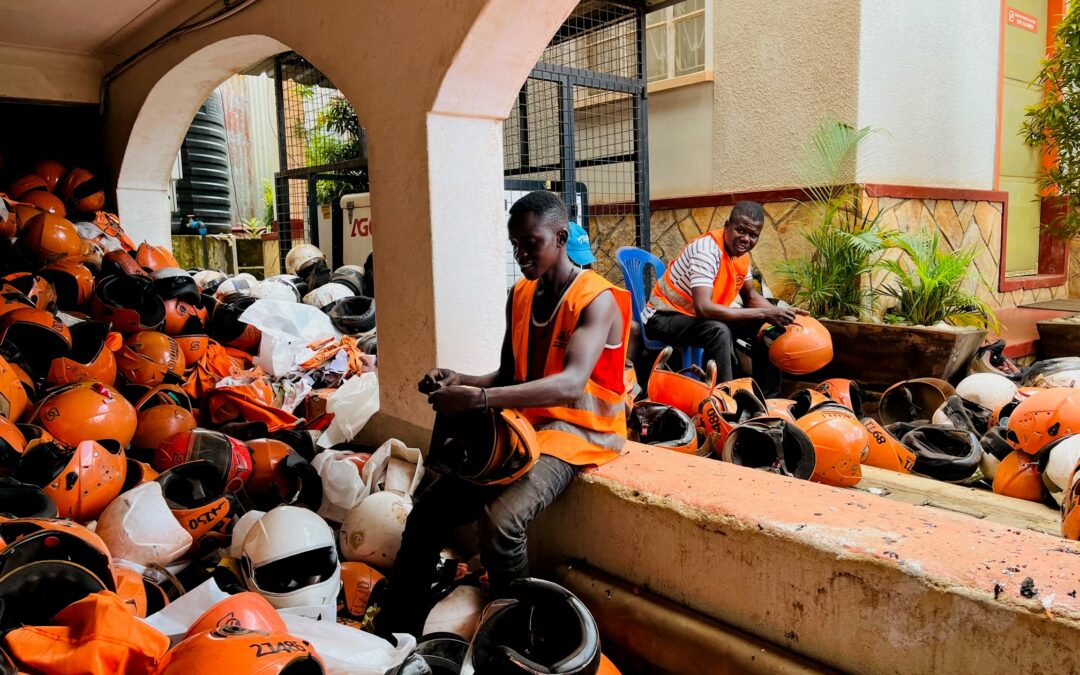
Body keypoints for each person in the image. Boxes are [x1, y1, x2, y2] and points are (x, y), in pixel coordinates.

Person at [382, 190, 630, 636]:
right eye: (515, 244)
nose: (520, 254)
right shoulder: (519, 294)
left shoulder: (598, 300)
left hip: (582, 433)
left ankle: (516, 635)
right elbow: (509, 374)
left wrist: (478, 401)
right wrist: (460, 380)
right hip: (526, 425)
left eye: (530, 243)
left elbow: (572, 384)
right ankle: (396, 626)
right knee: (429, 510)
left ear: (560, 236)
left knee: (500, 524)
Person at [642, 200, 799, 398]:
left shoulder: (741, 255)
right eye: (740, 230)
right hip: (663, 316)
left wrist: (779, 315)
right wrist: (764, 311)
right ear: (727, 226)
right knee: (718, 331)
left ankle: (769, 400)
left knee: (767, 327)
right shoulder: (707, 251)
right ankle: (725, 402)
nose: (745, 239)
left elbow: (751, 297)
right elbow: (704, 309)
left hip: (696, 318)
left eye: (753, 235)